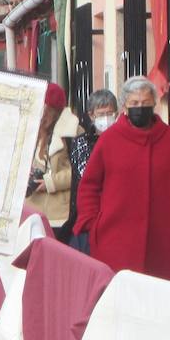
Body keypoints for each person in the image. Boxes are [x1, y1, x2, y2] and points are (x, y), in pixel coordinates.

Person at [74, 76, 170, 283]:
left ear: (154, 104)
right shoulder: (109, 139)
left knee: (164, 302)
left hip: (166, 240)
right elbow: (89, 186)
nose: (140, 107)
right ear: (124, 106)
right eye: (134, 103)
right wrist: (93, 224)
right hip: (115, 240)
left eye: (145, 102)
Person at [56, 89, 119, 249]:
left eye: (110, 113)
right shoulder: (81, 143)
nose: (106, 118)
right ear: (91, 115)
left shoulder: (123, 140)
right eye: (101, 113)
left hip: (117, 216)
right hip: (87, 217)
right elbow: (87, 174)